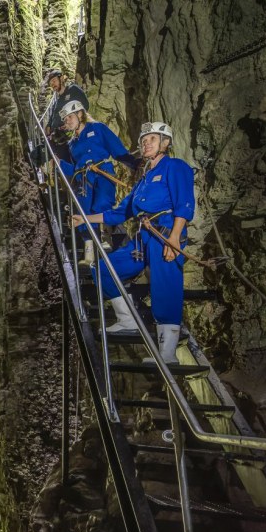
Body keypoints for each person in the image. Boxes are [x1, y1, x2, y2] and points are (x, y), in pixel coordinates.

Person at [72, 121, 195, 364]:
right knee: (103, 268)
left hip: (165, 235)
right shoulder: (144, 179)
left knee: (164, 288)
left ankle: (167, 354)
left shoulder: (175, 167)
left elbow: (185, 204)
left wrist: (174, 240)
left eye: (152, 138)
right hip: (142, 240)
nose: (145, 142)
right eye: (144, 139)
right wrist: (84, 218)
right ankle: (127, 319)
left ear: (165, 143)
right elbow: (120, 212)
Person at [58, 100, 136, 264]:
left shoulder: (98, 129)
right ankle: (89, 255)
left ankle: (105, 237)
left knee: (102, 203)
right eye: (65, 119)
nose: (67, 121)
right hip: (83, 180)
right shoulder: (72, 143)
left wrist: (136, 165)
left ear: (80, 114)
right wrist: (59, 164)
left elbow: (117, 150)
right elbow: (75, 169)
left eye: (70, 117)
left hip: (102, 172)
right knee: (83, 212)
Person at [44, 69, 89, 162]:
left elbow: (85, 106)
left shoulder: (73, 90)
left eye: (54, 80)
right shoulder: (57, 101)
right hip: (55, 137)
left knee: (68, 164)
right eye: (50, 83)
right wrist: (48, 125)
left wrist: (72, 125)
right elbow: (53, 116)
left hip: (68, 137)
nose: (52, 84)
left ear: (61, 79)